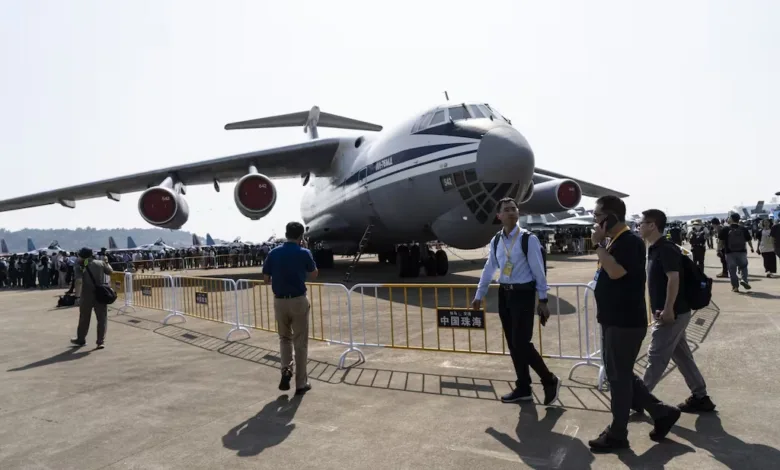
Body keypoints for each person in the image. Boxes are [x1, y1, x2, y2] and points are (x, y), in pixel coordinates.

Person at [588, 196, 680, 452]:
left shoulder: (629, 242)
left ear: (611, 217)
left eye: (597, 216)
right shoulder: (617, 241)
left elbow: (616, 272)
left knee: (617, 379)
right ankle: (661, 413)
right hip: (613, 319)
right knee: (621, 373)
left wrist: (597, 246)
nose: (594, 221)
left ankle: (618, 434)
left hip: (624, 321)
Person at [472, 197, 560, 406]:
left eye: (514, 209)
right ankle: (523, 387)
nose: (511, 212)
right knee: (513, 343)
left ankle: (549, 380)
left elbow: (539, 271)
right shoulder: (496, 240)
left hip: (523, 294)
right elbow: (489, 268)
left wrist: (543, 299)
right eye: (506, 210)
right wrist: (479, 294)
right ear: (499, 216)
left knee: (521, 342)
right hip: (505, 294)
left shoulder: (527, 239)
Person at [637, 209, 716, 413]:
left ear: (653, 225)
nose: (639, 226)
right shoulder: (655, 248)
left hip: (672, 313)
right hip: (672, 312)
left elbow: (674, 278)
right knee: (682, 357)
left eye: (642, 223)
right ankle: (701, 396)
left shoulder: (666, 249)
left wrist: (668, 308)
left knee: (656, 357)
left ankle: (638, 402)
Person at [262, 221, 318, 395]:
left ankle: (286, 369)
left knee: (284, 338)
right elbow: (314, 274)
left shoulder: (274, 253)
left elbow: (265, 279)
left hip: (280, 301)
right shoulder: (304, 252)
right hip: (298, 300)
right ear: (301, 236)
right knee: (300, 342)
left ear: (286, 234)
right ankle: (301, 383)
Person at [70, 247, 113, 349]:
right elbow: (110, 271)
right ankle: (100, 342)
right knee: (102, 319)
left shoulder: (79, 265)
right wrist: (106, 262)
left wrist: (77, 296)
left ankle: (81, 339)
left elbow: (79, 281)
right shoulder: (100, 263)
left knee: (84, 318)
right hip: (100, 295)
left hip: (86, 295)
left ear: (82, 255)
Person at [718, 213, 754, 293]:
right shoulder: (743, 229)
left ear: (731, 219)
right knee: (743, 267)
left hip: (729, 252)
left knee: (732, 270)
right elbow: (749, 240)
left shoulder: (725, 229)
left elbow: (720, 241)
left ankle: (735, 287)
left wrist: (718, 249)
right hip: (742, 251)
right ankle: (744, 280)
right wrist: (751, 247)